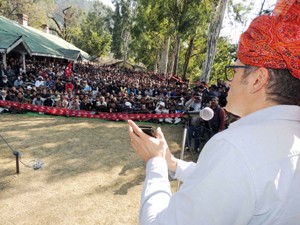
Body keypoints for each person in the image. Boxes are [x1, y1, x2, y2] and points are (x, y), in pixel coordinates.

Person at [128, 1, 300, 224]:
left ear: (258, 79)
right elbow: (228, 184)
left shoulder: (235, 148)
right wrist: (172, 163)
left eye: (234, 70)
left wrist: (155, 163)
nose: (229, 81)